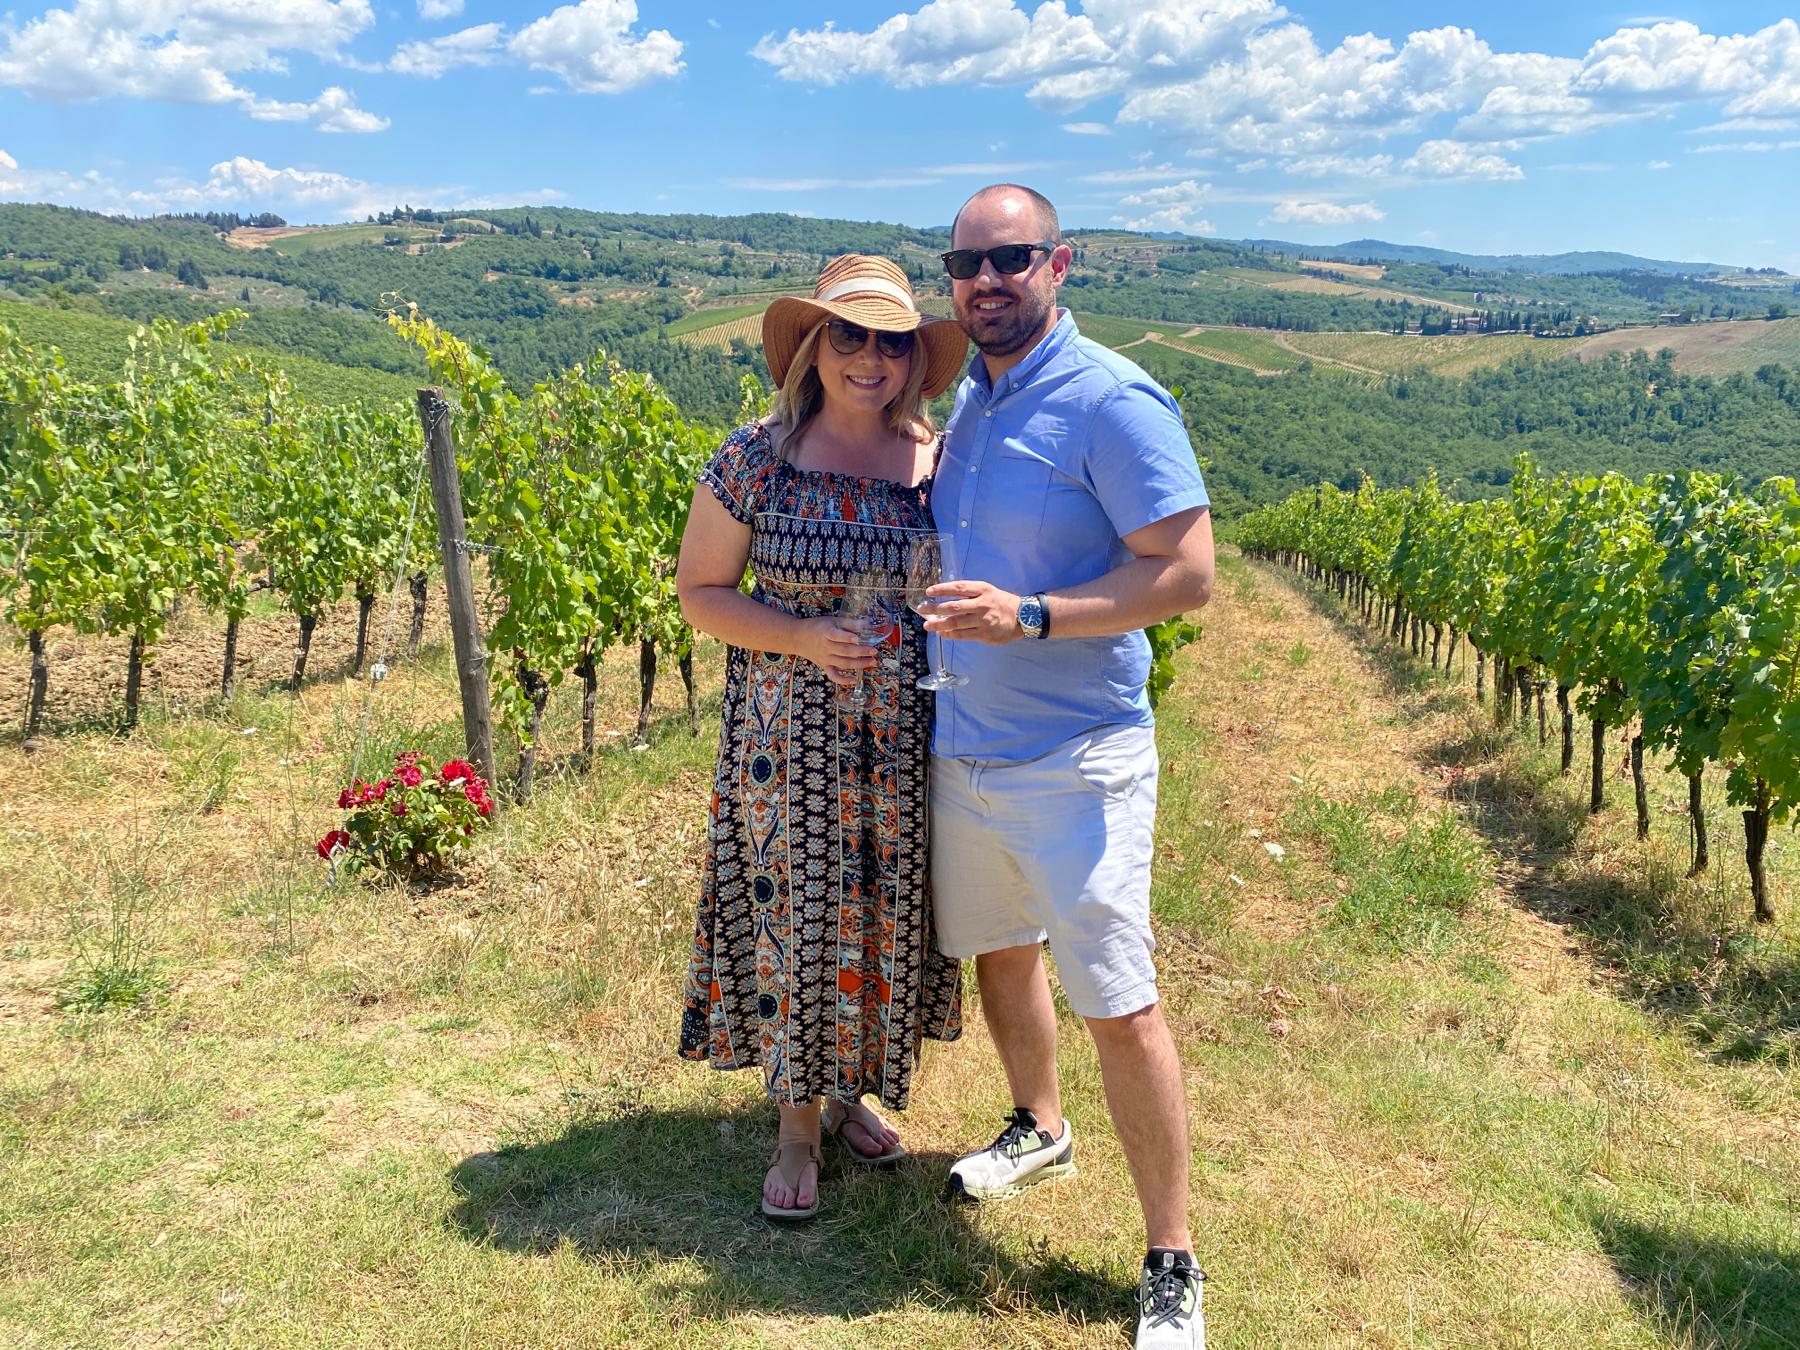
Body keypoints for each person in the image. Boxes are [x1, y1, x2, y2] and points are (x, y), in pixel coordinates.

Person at [921, 185, 1216, 1348]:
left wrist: (1033, 615)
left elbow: (1188, 574)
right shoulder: (972, 401)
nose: (986, 281)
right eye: (966, 262)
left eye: (1011, 259)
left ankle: (1171, 1256)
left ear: (1061, 264)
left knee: (1118, 1000)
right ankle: (1039, 1126)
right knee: (1001, 955)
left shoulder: (1113, 399)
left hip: (1081, 754)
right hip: (968, 746)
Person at [676, 254, 969, 1222]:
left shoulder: (939, 465)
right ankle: (796, 1124)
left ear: (916, 359)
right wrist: (802, 636)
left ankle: (847, 1096)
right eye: (850, 335)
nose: (871, 359)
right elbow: (701, 595)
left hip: (904, 740)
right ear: (813, 345)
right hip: (785, 740)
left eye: (893, 341)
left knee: (881, 915)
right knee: (799, 913)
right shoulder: (754, 459)